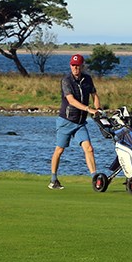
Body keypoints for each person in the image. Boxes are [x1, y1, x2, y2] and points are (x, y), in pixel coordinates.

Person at [49, 53, 100, 189]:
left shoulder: (88, 79)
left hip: (80, 123)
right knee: (59, 150)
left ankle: (95, 178)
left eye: (78, 65)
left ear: (82, 66)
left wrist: (98, 109)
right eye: (73, 65)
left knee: (89, 148)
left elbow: (94, 95)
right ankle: (53, 179)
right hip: (65, 121)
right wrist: (89, 109)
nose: (75, 68)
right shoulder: (66, 80)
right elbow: (71, 101)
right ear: (70, 65)